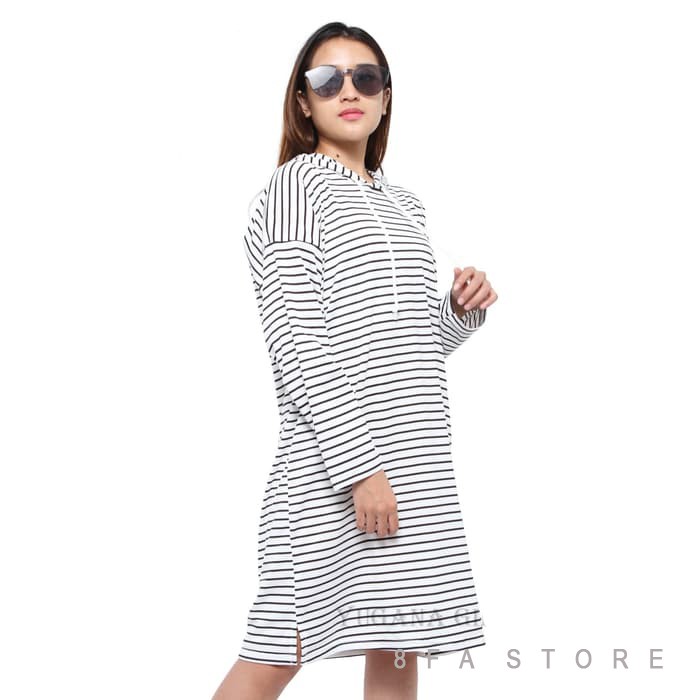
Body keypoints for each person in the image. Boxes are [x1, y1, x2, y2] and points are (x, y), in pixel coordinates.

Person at [213, 21, 498, 700]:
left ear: (385, 97)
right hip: (333, 468)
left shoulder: (405, 205)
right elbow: (300, 343)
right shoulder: (293, 190)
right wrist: (360, 469)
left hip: (415, 463)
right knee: (278, 649)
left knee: (397, 646)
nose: (348, 91)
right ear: (303, 101)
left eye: (365, 77)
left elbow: (408, 346)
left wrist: (459, 310)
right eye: (327, 79)